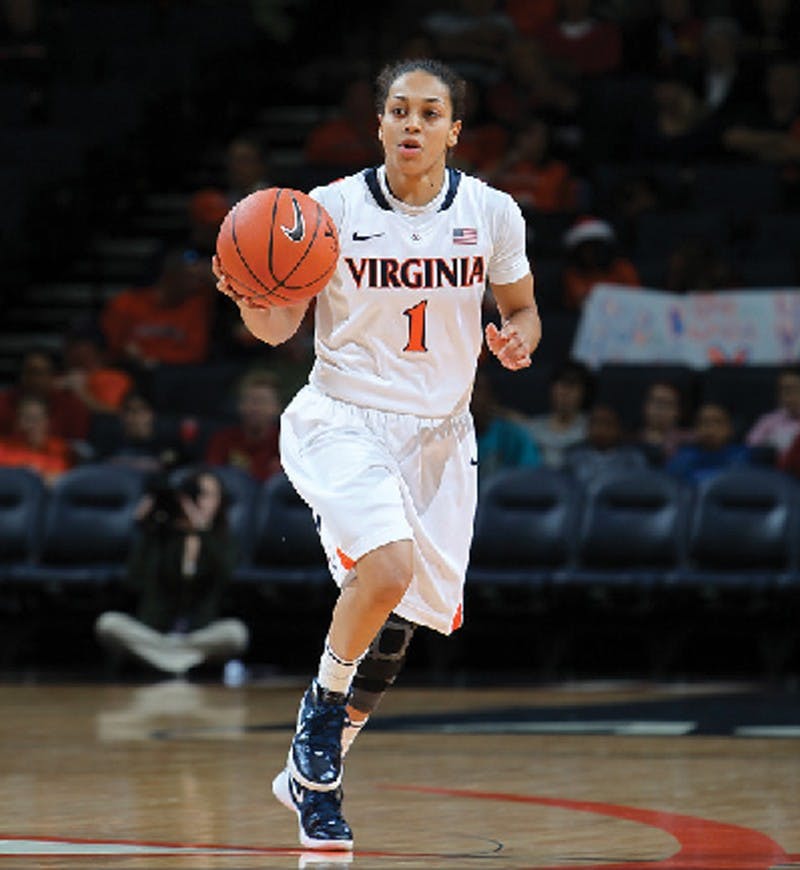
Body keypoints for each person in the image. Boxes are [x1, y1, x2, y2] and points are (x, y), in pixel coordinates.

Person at [213, 58, 541, 851]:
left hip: (440, 435)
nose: (412, 124)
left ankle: (310, 770)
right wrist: (252, 292)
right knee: (387, 569)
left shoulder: (493, 213)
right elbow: (277, 332)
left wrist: (517, 341)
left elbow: (524, 309)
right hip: (344, 418)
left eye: (429, 112)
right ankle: (317, 730)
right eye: (399, 110)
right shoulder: (327, 211)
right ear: (380, 123)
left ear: (454, 131)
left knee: (398, 627)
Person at [95, 468, 248, 676]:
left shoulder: (223, 540)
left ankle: (163, 660)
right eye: (194, 495)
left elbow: (225, 577)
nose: (199, 502)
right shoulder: (161, 537)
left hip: (199, 636)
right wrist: (145, 529)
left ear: (220, 501)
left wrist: (201, 532)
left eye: (206, 495)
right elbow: (134, 581)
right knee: (108, 624)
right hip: (156, 634)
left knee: (236, 633)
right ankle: (180, 662)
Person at [100, 247, 214, 371]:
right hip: (133, 371)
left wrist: (155, 361)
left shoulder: (199, 304)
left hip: (181, 373)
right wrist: (135, 357)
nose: (197, 285)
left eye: (200, 280)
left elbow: (196, 354)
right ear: (170, 275)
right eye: (190, 277)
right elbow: (112, 348)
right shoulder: (126, 303)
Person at [204, 368, 282, 482]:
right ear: (239, 406)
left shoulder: (289, 443)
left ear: (277, 408)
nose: (255, 408)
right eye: (250, 401)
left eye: (262, 401)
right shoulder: (224, 439)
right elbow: (211, 475)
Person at [0, 349, 90, 442]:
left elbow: (77, 444)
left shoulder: (72, 407)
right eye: (31, 372)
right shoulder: (3, 403)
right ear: (21, 375)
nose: (36, 379)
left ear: (53, 376)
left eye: (41, 373)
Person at [472, 368, 541, 487]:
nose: (471, 396)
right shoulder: (453, 439)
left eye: (477, 389)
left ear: (492, 397)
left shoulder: (513, 435)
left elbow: (531, 476)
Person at [560, 216, 640, 311]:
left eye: (597, 247)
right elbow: (582, 302)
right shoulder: (573, 274)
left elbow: (636, 297)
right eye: (586, 249)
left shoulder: (622, 267)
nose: (592, 253)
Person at [524, 360, 590, 468]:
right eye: (560, 386)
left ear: (584, 392)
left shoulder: (591, 429)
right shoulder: (533, 427)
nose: (564, 393)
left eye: (571, 386)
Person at [666, 401, 751, 484]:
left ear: (729, 428)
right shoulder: (683, 457)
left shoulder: (742, 456)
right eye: (704, 422)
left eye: (717, 422)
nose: (710, 428)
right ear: (696, 429)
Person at [563, 402, 648, 485]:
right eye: (595, 423)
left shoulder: (632, 458)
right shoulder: (573, 455)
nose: (600, 429)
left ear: (618, 428)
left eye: (607, 423)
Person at [0, 395, 73, 484]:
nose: (33, 425)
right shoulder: (3, 447)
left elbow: (62, 480)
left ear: (47, 421)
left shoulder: (60, 449)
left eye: (38, 418)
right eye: (27, 418)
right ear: (17, 421)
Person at [745, 367, 800, 461]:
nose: (786, 395)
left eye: (792, 389)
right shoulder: (768, 420)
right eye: (782, 390)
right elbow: (750, 451)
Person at [635, 379, 693, 465]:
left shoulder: (690, 442)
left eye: (667, 404)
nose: (660, 409)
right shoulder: (629, 441)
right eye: (656, 402)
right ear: (645, 406)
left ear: (678, 411)